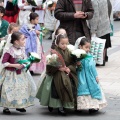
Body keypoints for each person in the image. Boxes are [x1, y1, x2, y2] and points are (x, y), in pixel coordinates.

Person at [36, 34, 78, 115]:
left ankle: (65, 104)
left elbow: (73, 63)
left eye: (66, 43)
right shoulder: (54, 53)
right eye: (62, 44)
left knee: (72, 84)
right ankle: (58, 106)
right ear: (57, 43)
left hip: (66, 72)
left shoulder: (69, 52)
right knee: (58, 87)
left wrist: (69, 68)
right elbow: (50, 65)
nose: (64, 45)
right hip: (56, 74)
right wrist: (58, 68)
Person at [0, 32, 36, 114]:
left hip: (21, 73)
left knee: (21, 88)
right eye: (23, 39)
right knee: (9, 89)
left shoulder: (22, 49)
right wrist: (14, 65)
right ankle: (6, 106)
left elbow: (25, 59)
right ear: (16, 41)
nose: (25, 41)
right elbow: (4, 62)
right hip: (10, 73)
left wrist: (27, 63)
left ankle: (19, 105)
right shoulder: (9, 51)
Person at [75, 37, 107, 114]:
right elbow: (76, 68)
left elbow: (93, 68)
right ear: (80, 46)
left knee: (93, 88)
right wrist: (78, 65)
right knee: (82, 89)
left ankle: (93, 106)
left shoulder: (90, 56)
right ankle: (81, 106)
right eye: (86, 47)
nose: (88, 49)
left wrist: (96, 76)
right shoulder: (77, 56)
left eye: (89, 47)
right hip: (81, 77)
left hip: (90, 77)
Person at [88, 0, 112, 66]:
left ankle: (100, 60)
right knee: (104, 43)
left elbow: (95, 16)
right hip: (105, 23)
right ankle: (104, 58)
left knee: (99, 43)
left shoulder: (93, 1)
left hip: (99, 27)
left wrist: (93, 30)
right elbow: (109, 9)